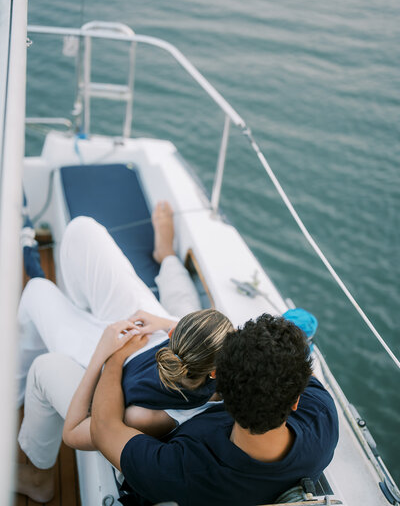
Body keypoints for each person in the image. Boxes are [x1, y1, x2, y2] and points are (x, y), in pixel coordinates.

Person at [16, 202, 232, 502]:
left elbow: (78, 432)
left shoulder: (150, 415)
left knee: (37, 292)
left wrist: (108, 355)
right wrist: (164, 323)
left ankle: (36, 467)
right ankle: (82, 308)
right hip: (148, 336)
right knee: (83, 230)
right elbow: (192, 338)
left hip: (107, 367)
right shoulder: (215, 367)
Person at [90, 313, 339, 506]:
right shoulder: (322, 416)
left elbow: (103, 427)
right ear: (295, 400)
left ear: (220, 393)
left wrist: (115, 358)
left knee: (49, 366)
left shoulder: (183, 469)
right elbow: (291, 367)